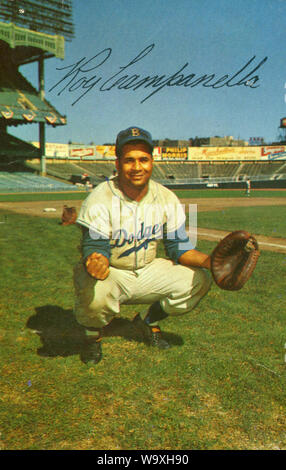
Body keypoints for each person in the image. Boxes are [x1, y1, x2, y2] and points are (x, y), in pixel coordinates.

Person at [73, 127, 212, 365]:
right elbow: (95, 245)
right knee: (93, 290)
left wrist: (212, 262)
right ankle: (92, 337)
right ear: (117, 163)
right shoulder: (99, 198)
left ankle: (148, 323)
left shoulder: (166, 197)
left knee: (199, 279)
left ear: (152, 161)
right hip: (113, 271)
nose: (137, 167)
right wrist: (96, 260)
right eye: (129, 160)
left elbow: (178, 247)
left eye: (143, 160)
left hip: (148, 270)